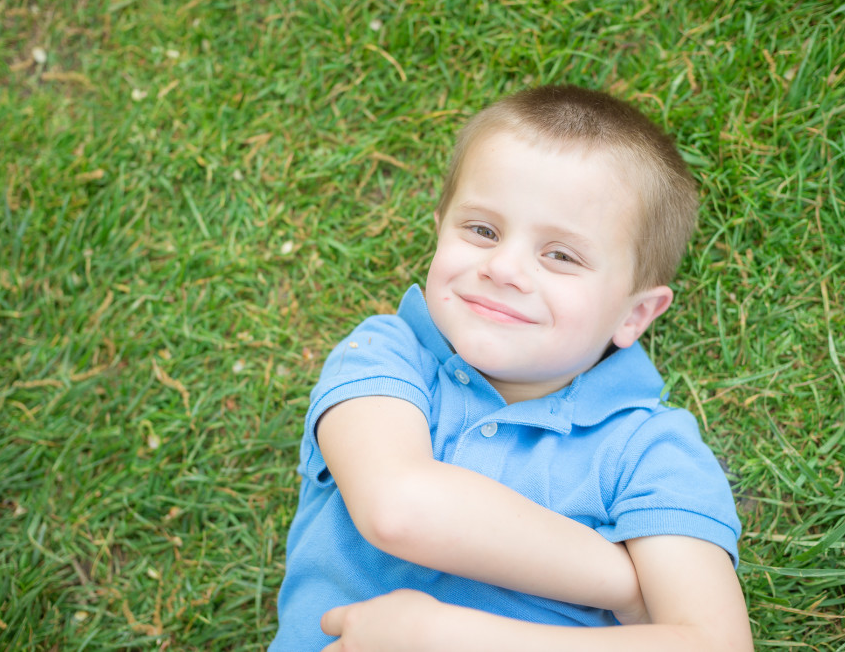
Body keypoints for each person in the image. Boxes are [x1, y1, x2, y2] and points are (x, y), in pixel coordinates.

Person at [269, 85, 752, 651]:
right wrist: (622, 583)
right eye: (482, 230)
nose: (503, 267)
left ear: (635, 313)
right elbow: (399, 507)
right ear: (440, 228)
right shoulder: (386, 354)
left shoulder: (652, 452)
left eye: (561, 255)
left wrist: (449, 638)